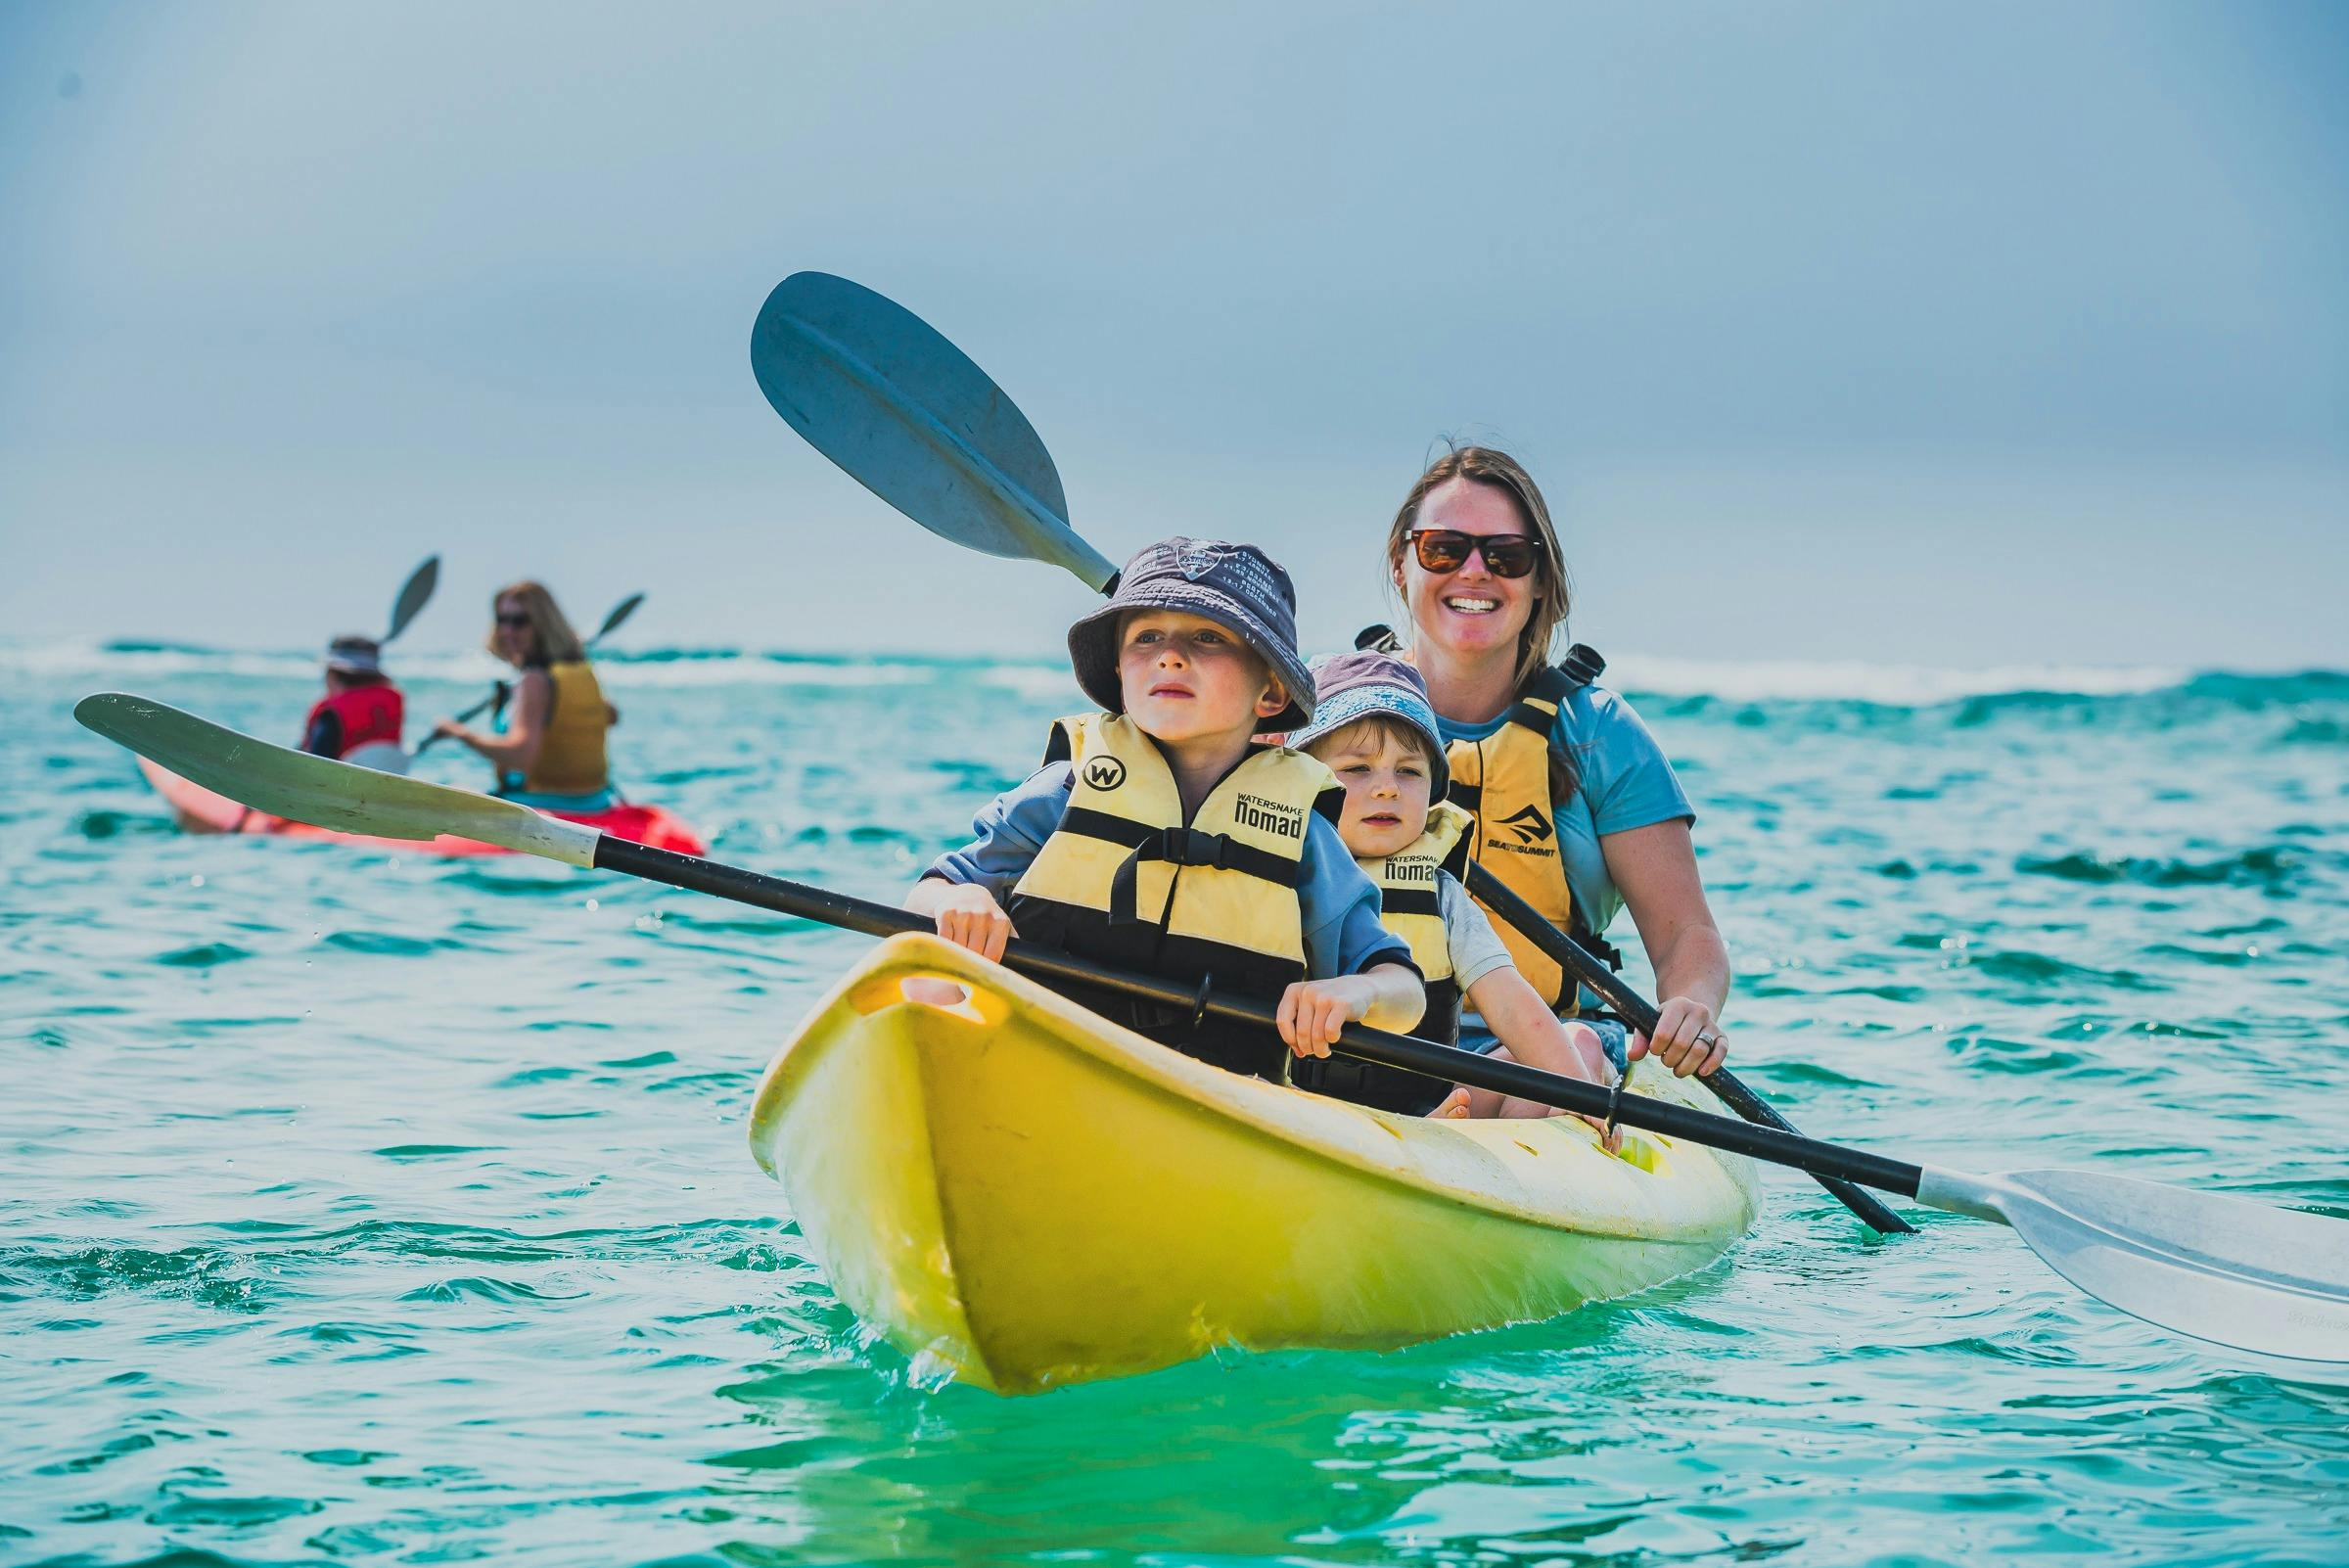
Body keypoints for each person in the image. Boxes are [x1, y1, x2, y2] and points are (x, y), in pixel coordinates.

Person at [911, 537, 1424, 1077]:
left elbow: (1405, 991)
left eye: (1208, 637)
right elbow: (926, 893)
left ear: (1271, 692)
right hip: (1041, 1062)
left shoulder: (1302, 838)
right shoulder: (1064, 791)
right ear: (1119, 676)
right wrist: (961, 899)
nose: (1169, 655)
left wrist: (1358, 992)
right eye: (1146, 637)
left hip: (1212, 1099)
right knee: (924, 972)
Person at [1379, 446, 1730, 1080]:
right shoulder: (1332, 709)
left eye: (1506, 555)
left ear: (1541, 580)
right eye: (1443, 549)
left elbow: (1687, 938)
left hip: (1553, 1050)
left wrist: (1690, 1007)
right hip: (1368, 1030)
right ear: (1402, 565)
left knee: (1564, 1060)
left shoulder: (1600, 734)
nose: (1475, 572)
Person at [1282, 652, 1620, 1128]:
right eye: (1357, 769)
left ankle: (1502, 1147)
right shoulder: (1275, 873)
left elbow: (1508, 1000)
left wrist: (1576, 1090)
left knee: (1578, 1046)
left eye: (1409, 771)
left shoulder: (1441, 898)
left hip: (1432, 1103)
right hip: (1303, 1106)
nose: (1387, 789)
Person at [433, 580, 620, 810]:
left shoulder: (534, 680)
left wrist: (458, 733)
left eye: (519, 621)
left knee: (452, 790)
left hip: (545, 809)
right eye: (502, 620)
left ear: (542, 625)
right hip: (597, 801)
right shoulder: (579, 670)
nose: (507, 631)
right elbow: (612, 715)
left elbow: (520, 757)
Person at [302, 636, 409, 774]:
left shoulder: (331, 713)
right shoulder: (394, 701)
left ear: (333, 675)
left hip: (337, 783)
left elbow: (316, 763)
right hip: (383, 781)